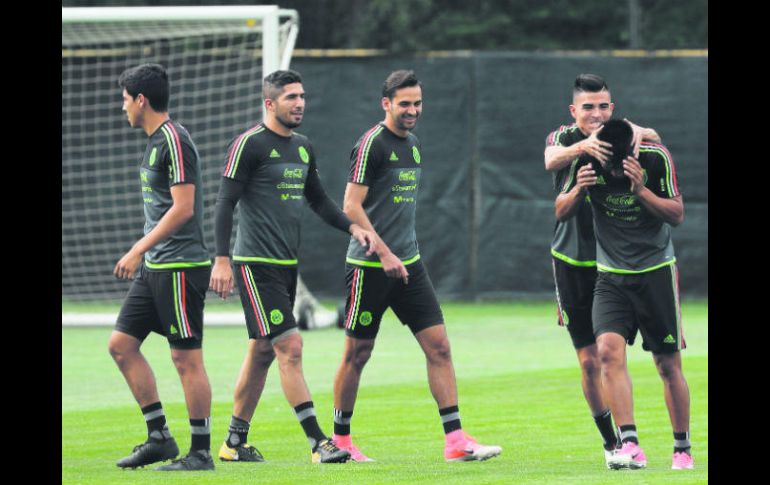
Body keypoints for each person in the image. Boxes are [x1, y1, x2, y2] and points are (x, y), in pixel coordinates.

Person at [330, 70, 502, 462]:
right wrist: (384, 253)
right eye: (404, 103)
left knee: (439, 347)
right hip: (369, 267)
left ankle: (456, 441)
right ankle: (339, 442)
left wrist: (401, 255)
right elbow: (351, 206)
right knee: (358, 354)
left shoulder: (414, 145)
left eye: (417, 103)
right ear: (386, 103)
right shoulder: (371, 144)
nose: (412, 110)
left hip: (409, 266)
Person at [209, 69, 376, 464]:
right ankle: (319, 443)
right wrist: (221, 259)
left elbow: (318, 201)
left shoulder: (302, 147)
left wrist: (354, 227)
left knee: (263, 352)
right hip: (254, 264)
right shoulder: (248, 145)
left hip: (286, 266)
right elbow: (224, 203)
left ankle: (233, 443)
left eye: (302, 96)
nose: (299, 103)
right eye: (290, 97)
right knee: (291, 346)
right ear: (270, 103)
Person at [555, 118, 694, 471]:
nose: (613, 170)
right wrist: (579, 191)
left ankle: (682, 448)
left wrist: (641, 190)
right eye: (609, 165)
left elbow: (677, 214)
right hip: (611, 277)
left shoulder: (655, 157)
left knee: (667, 365)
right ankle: (629, 442)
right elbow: (560, 211)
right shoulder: (588, 159)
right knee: (606, 352)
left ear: (632, 149)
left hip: (656, 274)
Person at [543, 73, 661, 468]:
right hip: (573, 264)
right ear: (573, 110)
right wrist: (583, 148)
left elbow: (654, 136)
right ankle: (612, 442)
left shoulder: (620, 132)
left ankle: (632, 441)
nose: (596, 113)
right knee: (589, 361)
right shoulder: (562, 139)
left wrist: (639, 132)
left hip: (617, 265)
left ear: (612, 107)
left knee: (616, 354)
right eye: (588, 107)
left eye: (603, 106)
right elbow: (550, 161)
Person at [108, 63, 215, 471]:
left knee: (186, 359)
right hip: (157, 267)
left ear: (141, 100)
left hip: (181, 267)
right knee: (121, 346)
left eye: (124, 100)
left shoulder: (174, 140)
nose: (123, 109)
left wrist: (137, 249)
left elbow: (183, 209)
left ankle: (201, 451)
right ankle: (159, 437)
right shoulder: (155, 142)